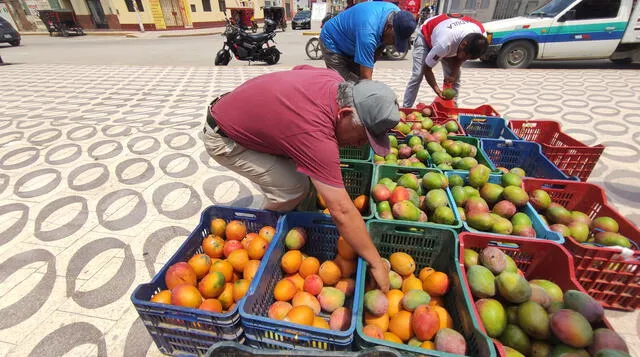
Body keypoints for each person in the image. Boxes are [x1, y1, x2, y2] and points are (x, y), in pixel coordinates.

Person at [201, 65, 399, 291]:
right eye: (363, 137)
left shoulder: (333, 80)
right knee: (293, 188)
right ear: (344, 114)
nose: (359, 145)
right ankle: (264, 233)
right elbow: (342, 211)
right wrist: (375, 262)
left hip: (235, 109)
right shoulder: (314, 132)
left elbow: (299, 69)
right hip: (225, 138)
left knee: (311, 179)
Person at [402, 13, 488, 107]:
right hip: (426, 35)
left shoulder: (481, 37)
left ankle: (452, 110)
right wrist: (438, 91)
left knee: (455, 79)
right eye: (464, 57)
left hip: (448, 36)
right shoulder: (444, 44)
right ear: (463, 45)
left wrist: (453, 74)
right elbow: (427, 69)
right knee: (418, 74)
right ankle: (407, 108)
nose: (464, 60)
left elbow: (461, 58)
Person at [319, 1, 417, 82]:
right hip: (332, 40)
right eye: (394, 40)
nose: (392, 44)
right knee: (344, 87)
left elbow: (377, 51)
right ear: (388, 27)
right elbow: (366, 78)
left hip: (353, 40)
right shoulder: (368, 34)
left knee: (357, 82)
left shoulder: (397, 15)